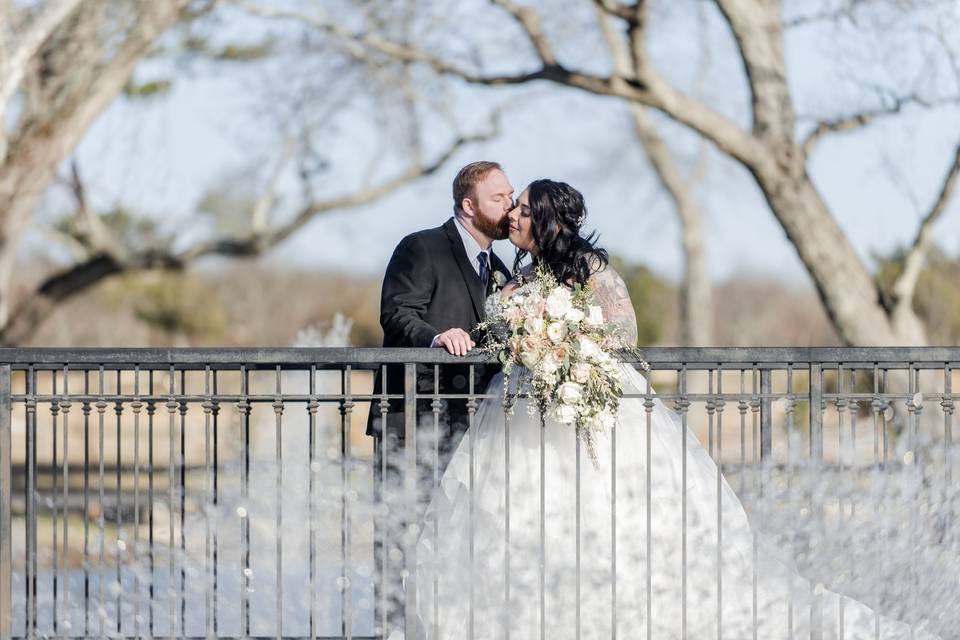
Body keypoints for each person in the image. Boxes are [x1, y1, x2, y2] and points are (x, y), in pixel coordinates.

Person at [405, 179, 939, 639]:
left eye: (522, 208)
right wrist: (531, 345)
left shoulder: (589, 267)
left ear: (544, 219)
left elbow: (623, 333)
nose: (513, 216)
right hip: (520, 409)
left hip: (591, 400)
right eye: (512, 206)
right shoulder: (513, 278)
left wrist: (564, 347)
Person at [369, 161, 513, 635]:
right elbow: (397, 314)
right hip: (414, 420)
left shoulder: (500, 268)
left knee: (464, 535)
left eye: (510, 195)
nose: (509, 205)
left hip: (474, 425)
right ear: (468, 206)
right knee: (404, 534)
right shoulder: (421, 247)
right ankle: (395, 630)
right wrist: (436, 338)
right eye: (498, 198)